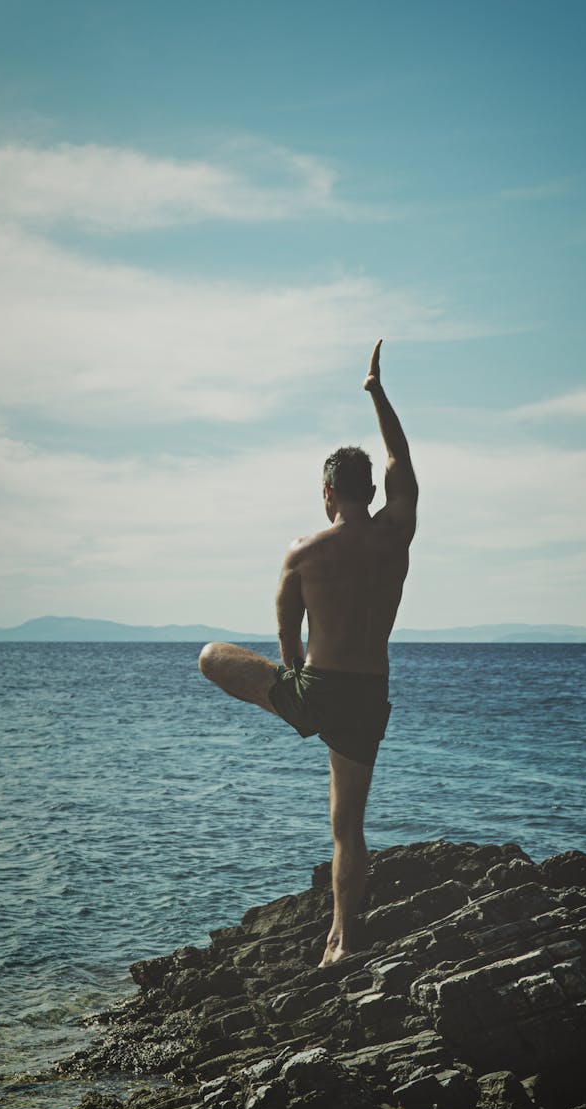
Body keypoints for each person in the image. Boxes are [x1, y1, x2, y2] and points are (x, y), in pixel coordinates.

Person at [198, 339, 418, 966]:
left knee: (212, 655)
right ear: (370, 490)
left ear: (327, 493)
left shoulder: (302, 553)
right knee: (347, 828)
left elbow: (287, 640)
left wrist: (294, 691)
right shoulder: (395, 533)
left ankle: (297, 716)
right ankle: (343, 942)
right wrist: (376, 391)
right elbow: (401, 454)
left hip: (314, 692)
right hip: (366, 697)